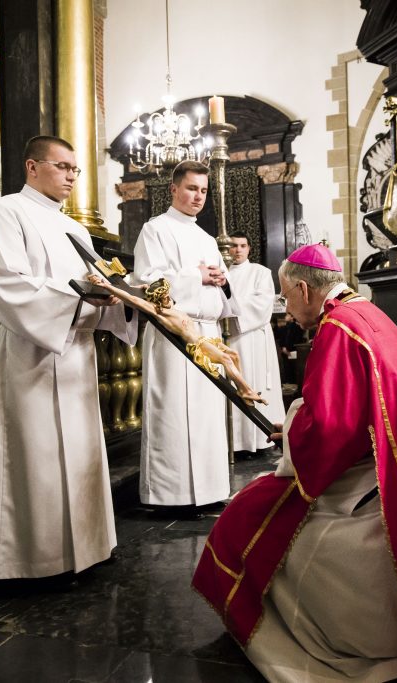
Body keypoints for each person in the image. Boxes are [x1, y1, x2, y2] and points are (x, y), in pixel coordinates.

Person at [193, 243, 397, 683]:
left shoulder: (338, 329)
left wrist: (294, 431)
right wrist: (297, 426)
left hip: (359, 473)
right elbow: (346, 410)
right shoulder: (366, 314)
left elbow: (329, 431)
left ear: (304, 289)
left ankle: (278, 625)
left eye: (286, 297)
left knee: (248, 514)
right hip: (388, 465)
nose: (287, 309)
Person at [0, 135, 136, 580]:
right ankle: (36, 559)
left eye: (75, 169)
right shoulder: (3, 212)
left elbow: (96, 286)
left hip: (77, 354)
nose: (71, 176)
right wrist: (79, 299)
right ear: (32, 166)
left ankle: (88, 548)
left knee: (81, 453)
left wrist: (123, 298)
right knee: (37, 456)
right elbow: (5, 284)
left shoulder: (74, 229)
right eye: (62, 166)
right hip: (33, 352)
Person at [133, 159, 235, 512]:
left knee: (207, 415)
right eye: (192, 188)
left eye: (204, 190)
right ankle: (169, 495)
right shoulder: (155, 229)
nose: (198, 196)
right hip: (174, 330)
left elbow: (222, 288)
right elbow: (146, 282)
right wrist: (197, 277)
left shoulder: (206, 238)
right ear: (173, 188)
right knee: (173, 411)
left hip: (207, 331)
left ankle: (210, 490)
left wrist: (221, 280)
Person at [86, 274, 266, 404]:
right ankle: (246, 391)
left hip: (203, 339)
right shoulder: (161, 313)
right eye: (163, 296)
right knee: (226, 359)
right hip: (197, 345)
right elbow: (133, 299)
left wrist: (146, 288)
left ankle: (241, 387)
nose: (167, 297)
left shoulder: (173, 309)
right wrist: (109, 287)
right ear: (157, 300)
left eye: (167, 294)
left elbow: (143, 293)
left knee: (233, 355)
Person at [225, 232, 286, 458]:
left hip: (254, 338)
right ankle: (238, 442)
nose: (238, 250)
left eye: (242, 245)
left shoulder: (260, 272)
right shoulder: (222, 274)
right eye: (233, 246)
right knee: (234, 384)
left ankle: (261, 439)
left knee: (255, 381)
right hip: (230, 339)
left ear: (249, 248)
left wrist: (229, 309)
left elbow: (262, 304)